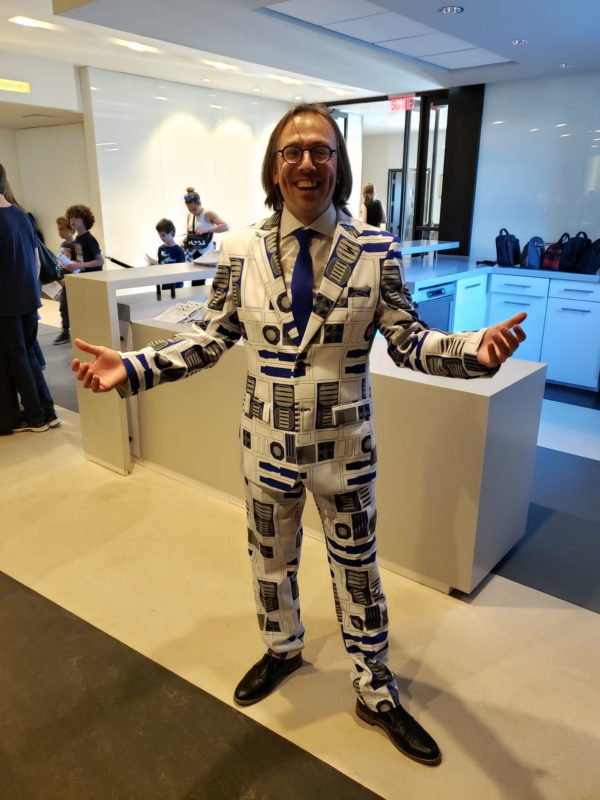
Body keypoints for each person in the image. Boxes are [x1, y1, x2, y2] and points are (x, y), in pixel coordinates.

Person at [71, 104, 526, 767]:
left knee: (359, 573)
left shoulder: (376, 249)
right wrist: (134, 365)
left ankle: (375, 690)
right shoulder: (238, 249)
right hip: (267, 448)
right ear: (275, 165)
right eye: (293, 151)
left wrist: (472, 352)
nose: (307, 163)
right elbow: (210, 338)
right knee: (269, 562)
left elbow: (409, 340)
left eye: (322, 150)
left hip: (346, 452)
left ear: (338, 164)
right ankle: (282, 649)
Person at [0, 163, 59, 432]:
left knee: (18, 357)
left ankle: (35, 417)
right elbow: (36, 263)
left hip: (6, 303)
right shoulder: (22, 216)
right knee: (30, 354)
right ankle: (48, 411)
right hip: (28, 298)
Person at [54, 204, 104, 345]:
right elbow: (81, 261)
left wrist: (78, 265)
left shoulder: (89, 239)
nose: (72, 220)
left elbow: (100, 261)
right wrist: (72, 265)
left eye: (76, 217)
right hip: (82, 280)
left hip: (93, 280)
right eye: (71, 217)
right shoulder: (77, 240)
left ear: (85, 220)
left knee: (91, 310)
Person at [182, 187, 228, 287]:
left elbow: (225, 226)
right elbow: (189, 231)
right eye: (189, 209)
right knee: (195, 282)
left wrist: (207, 229)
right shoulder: (189, 215)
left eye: (194, 209)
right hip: (193, 252)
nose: (192, 211)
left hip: (206, 253)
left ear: (199, 203)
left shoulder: (208, 214)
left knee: (200, 282)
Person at [156, 217, 185, 293]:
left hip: (176, 286)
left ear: (171, 233)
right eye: (160, 235)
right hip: (165, 284)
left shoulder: (178, 250)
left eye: (163, 235)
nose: (161, 238)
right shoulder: (161, 249)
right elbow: (160, 265)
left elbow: (182, 270)